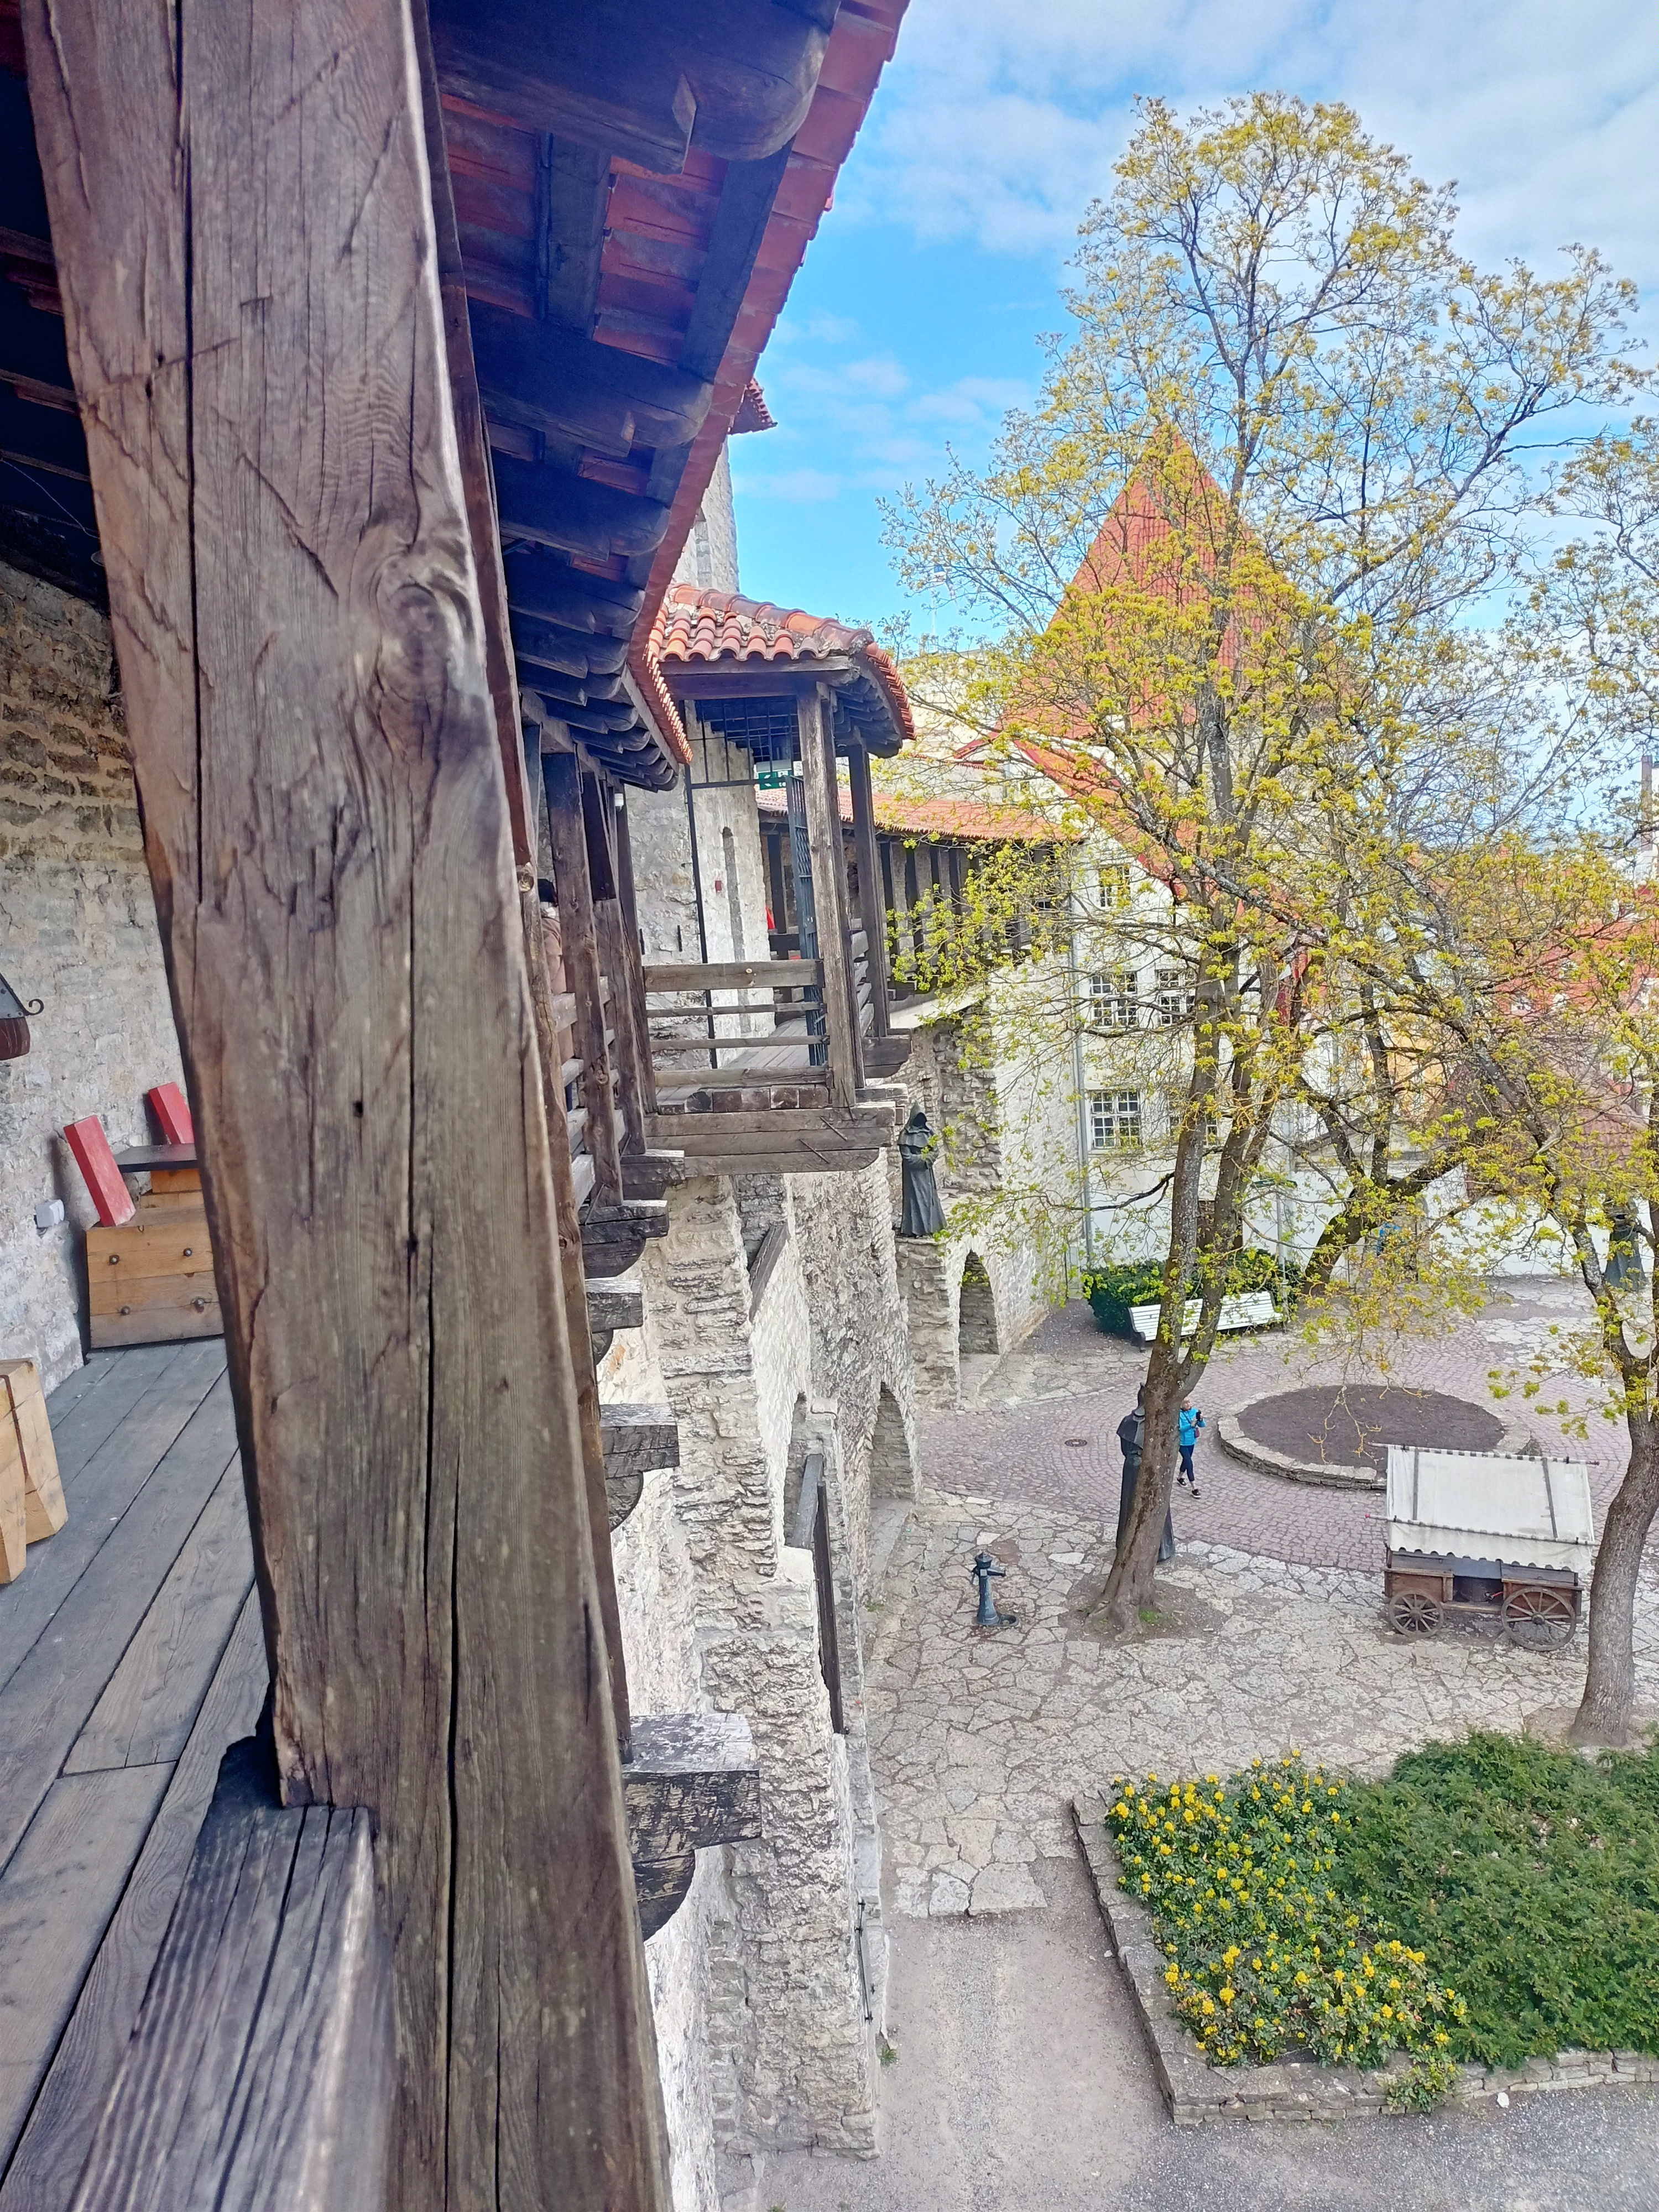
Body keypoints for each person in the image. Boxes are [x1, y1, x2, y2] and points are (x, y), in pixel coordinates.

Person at [1115, 1386, 1175, 1564]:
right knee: (1145, 1504)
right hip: (1148, 1469)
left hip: (1134, 1467)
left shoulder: (1128, 1421)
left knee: (1135, 1505)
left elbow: (1125, 1449)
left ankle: (1130, 1544)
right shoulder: (1157, 1425)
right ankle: (1160, 1550)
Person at [1177, 1397, 1204, 1495]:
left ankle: (1180, 1477)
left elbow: (1202, 1425)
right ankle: (1194, 1487)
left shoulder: (1195, 1411)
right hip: (1182, 1443)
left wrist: (1200, 1420)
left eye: (1189, 1402)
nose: (1188, 1404)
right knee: (1189, 1463)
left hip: (1192, 1441)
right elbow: (1180, 1428)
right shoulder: (1179, 1414)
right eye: (1185, 1403)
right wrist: (1191, 1425)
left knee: (1186, 1461)